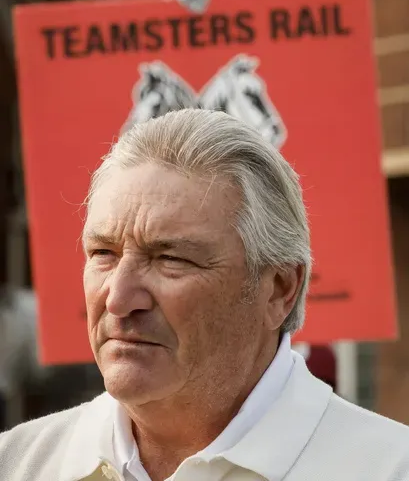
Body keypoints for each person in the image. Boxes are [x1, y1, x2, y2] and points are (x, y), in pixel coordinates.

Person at [1, 109, 408, 481]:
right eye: (103, 254)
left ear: (280, 289)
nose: (117, 299)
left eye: (171, 259)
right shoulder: (16, 464)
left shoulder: (389, 468)